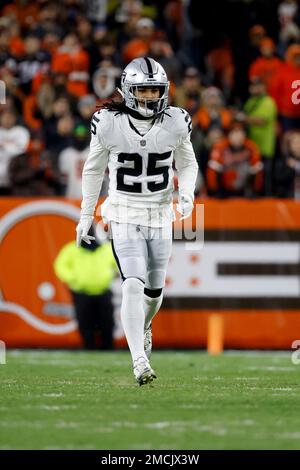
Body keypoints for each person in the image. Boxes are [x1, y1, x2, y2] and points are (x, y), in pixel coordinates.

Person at [76, 57, 198, 385]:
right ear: (128, 91)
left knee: (155, 292)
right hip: (124, 212)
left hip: (160, 214)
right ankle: (138, 360)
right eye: (143, 90)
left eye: (154, 90)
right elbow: (92, 169)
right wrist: (86, 214)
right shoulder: (107, 122)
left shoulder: (176, 120)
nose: (150, 97)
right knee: (133, 281)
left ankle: (144, 326)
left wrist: (186, 193)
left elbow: (188, 163)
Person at [54, 227, 117, 350]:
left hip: (103, 291)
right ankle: (89, 347)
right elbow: (60, 265)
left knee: (107, 322)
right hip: (81, 292)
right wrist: (73, 279)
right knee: (85, 322)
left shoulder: (106, 249)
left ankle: (108, 347)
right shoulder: (71, 249)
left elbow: (119, 264)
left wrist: (113, 274)